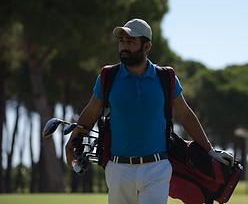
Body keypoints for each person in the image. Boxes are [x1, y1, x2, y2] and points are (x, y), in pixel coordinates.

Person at [65, 18, 234, 204]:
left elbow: (185, 115)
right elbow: (90, 114)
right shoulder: (108, 76)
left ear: (147, 46)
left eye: (130, 41)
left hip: (157, 168)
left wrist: (209, 150)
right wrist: (72, 142)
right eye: (121, 41)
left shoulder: (165, 77)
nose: (123, 46)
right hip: (118, 169)